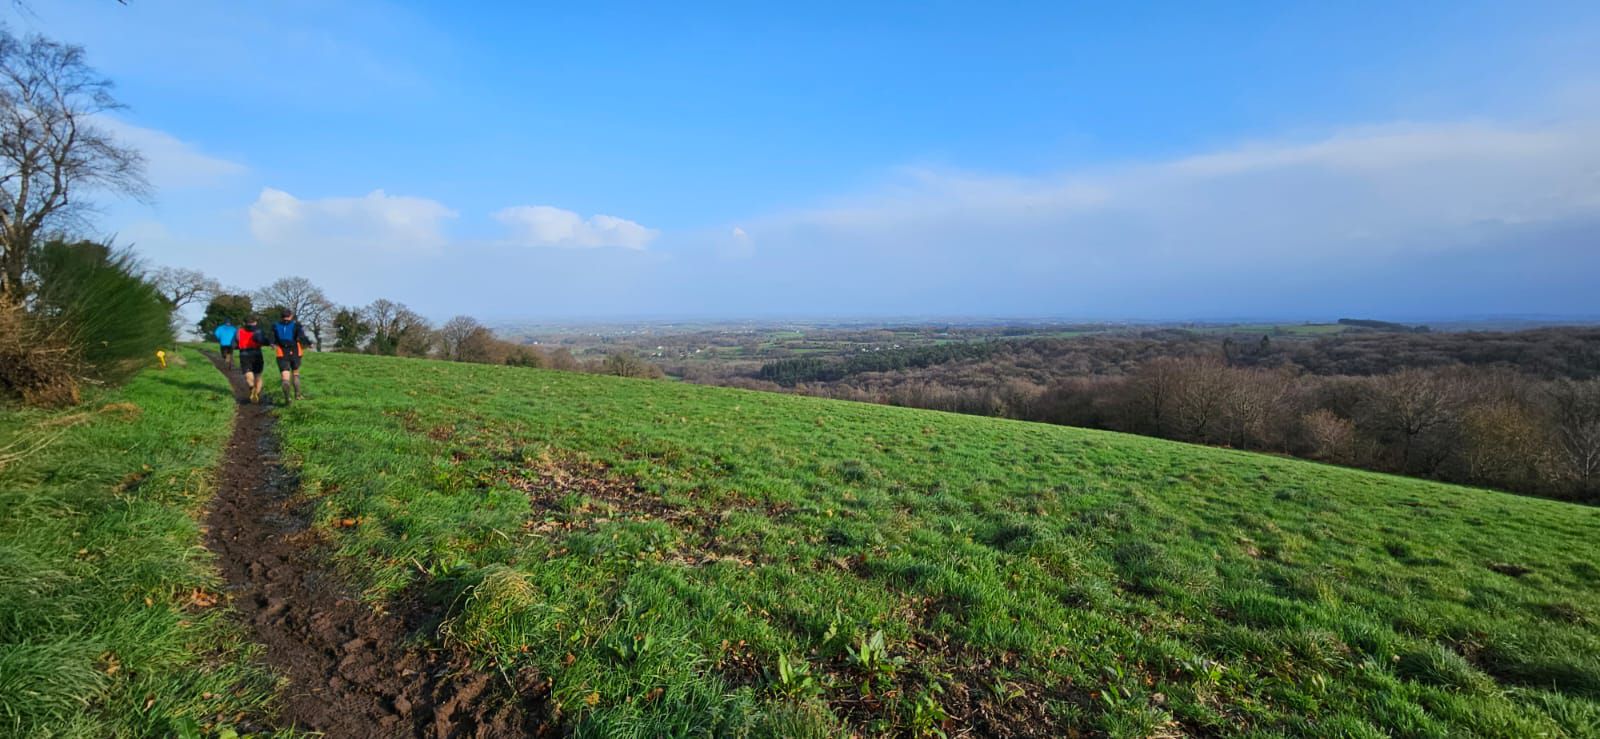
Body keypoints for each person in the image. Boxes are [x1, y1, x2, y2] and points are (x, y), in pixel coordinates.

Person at [270, 309, 311, 404]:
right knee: (295, 373)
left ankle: (287, 398)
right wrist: (309, 343)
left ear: (281, 316)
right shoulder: (296, 325)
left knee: (285, 376)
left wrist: (272, 344)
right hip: (295, 352)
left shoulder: (275, 326)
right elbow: (301, 337)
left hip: (282, 352)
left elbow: (271, 337)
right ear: (291, 316)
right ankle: (298, 395)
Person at [233, 316, 269, 404]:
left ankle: (252, 387)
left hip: (244, 354)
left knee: (248, 374)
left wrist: (237, 346)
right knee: (258, 375)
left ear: (244, 323)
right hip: (257, 353)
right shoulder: (259, 331)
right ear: (255, 322)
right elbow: (264, 341)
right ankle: (257, 393)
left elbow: (234, 344)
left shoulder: (239, 331)